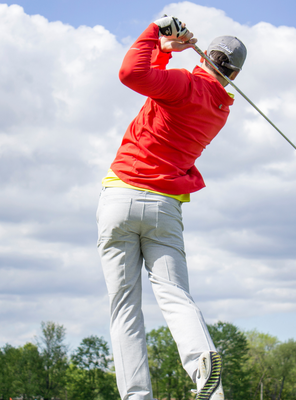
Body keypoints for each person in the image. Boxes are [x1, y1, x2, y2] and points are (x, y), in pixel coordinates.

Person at [96, 15, 247, 400]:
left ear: (205, 55)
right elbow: (157, 86)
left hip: (120, 198)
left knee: (124, 308)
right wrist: (164, 53)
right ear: (234, 75)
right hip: (163, 209)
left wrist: (155, 32)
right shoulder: (220, 109)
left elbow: (131, 74)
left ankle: (136, 396)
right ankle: (205, 370)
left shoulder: (184, 83)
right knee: (175, 295)